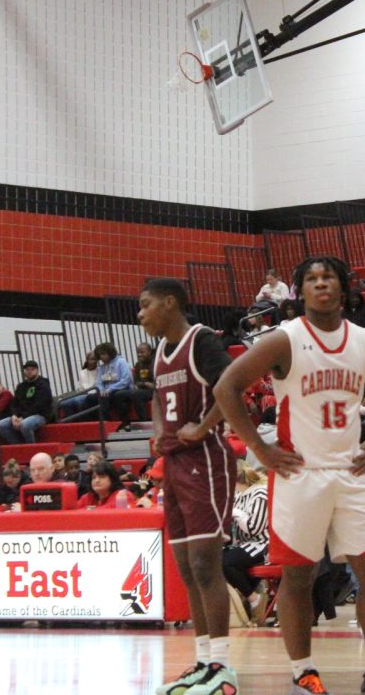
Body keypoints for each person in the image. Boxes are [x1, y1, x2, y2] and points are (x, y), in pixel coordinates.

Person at [213, 259, 365, 695]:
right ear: (300, 292)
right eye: (312, 279)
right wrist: (260, 448)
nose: (321, 283)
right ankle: (302, 674)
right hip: (300, 473)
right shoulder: (285, 339)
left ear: (343, 290)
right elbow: (226, 388)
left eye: (328, 277)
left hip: (352, 469)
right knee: (297, 577)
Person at [136, 278, 240, 695]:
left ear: (169, 302)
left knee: (204, 565)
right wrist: (161, 430)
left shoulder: (201, 341)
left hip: (206, 461)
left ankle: (222, 665)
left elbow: (232, 386)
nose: (140, 315)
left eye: (145, 306)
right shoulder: (159, 352)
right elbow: (158, 399)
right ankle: (201, 661)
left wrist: (206, 425)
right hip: (174, 463)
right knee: (185, 569)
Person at [223, 464, 269, 626]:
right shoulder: (238, 494)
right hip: (242, 543)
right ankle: (249, 600)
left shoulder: (260, 494)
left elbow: (253, 528)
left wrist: (235, 513)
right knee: (215, 559)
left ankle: (253, 599)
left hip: (261, 544)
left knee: (226, 563)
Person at [0, 360, 54, 444]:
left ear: (37, 370)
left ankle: (31, 448)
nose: (29, 372)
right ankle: (17, 445)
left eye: (32, 369)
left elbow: (39, 405)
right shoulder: (21, 386)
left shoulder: (43, 385)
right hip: (21, 416)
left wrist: (23, 417)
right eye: (27, 369)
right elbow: (14, 403)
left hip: (40, 415)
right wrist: (14, 415)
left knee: (25, 425)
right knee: (0, 425)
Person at [111, 342, 156, 422]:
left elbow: (156, 383)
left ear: (149, 352)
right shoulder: (138, 364)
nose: (139, 354)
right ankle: (125, 422)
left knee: (137, 394)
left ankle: (144, 422)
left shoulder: (155, 363)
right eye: (138, 352)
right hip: (142, 389)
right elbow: (136, 381)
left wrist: (147, 384)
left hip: (154, 390)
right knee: (119, 394)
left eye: (142, 352)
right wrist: (144, 384)